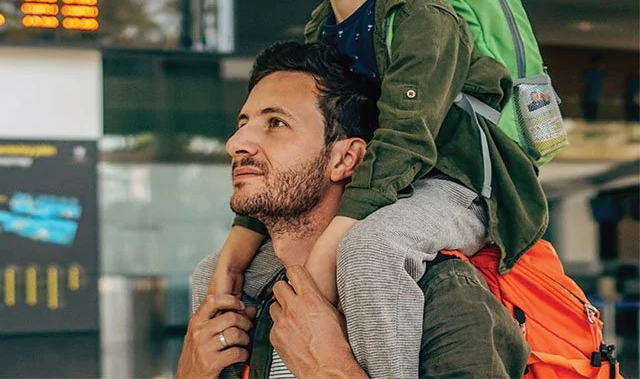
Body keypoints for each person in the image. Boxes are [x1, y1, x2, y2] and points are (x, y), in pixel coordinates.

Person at [208, 0, 547, 378]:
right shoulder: (325, 29)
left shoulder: (423, 18)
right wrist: (236, 250)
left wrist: (328, 248)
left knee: (367, 253)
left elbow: (404, 139)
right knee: (214, 273)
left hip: (457, 189)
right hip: (390, 191)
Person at [178, 41, 530, 378]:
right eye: (242, 126)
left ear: (345, 159)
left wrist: (328, 371)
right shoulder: (248, 295)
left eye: (276, 123)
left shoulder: (440, 294)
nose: (235, 144)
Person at [581, 54, 605, 122]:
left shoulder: (600, 73)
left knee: (593, 113)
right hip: (589, 97)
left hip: (594, 97)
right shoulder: (590, 72)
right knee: (589, 113)